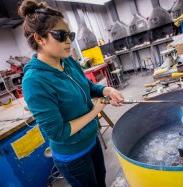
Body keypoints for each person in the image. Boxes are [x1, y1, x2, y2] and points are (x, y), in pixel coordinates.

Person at [18, 1, 124, 186]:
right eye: (60, 35)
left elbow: (87, 87)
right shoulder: (34, 81)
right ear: (39, 38)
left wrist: (106, 89)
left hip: (92, 140)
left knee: (101, 180)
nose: (68, 40)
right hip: (73, 156)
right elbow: (58, 133)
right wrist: (94, 112)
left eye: (69, 35)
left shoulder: (67, 61)